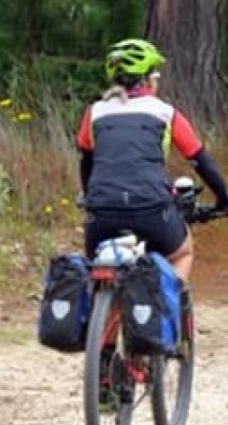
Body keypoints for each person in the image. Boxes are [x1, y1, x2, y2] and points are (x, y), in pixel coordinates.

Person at [77, 38, 228, 283]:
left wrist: (88, 195)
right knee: (183, 251)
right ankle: (170, 312)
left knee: (94, 265)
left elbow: (87, 163)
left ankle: (96, 314)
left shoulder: (94, 113)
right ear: (147, 79)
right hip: (152, 212)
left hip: (100, 216)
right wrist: (223, 199)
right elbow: (201, 161)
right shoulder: (165, 113)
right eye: (155, 75)